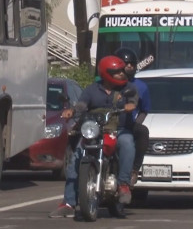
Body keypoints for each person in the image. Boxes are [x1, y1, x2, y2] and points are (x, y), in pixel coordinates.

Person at [49, 56, 139, 218]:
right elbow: (82, 104)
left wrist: (129, 106)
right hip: (95, 130)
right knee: (77, 155)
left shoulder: (128, 88)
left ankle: (123, 184)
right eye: (117, 72)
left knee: (127, 143)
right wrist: (73, 111)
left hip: (117, 130)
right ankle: (68, 202)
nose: (121, 74)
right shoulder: (92, 89)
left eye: (121, 71)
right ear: (106, 73)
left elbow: (133, 100)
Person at [114, 48, 151, 187]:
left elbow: (144, 110)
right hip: (106, 123)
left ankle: (134, 169)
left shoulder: (141, 86)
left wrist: (135, 123)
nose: (129, 66)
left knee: (142, 131)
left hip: (127, 125)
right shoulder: (106, 83)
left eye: (132, 64)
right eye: (125, 63)